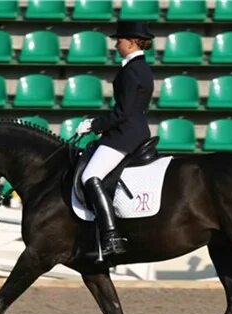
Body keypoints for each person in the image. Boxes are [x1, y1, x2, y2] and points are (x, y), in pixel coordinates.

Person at [76, 20, 155, 258]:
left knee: (90, 175)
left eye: (119, 40)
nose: (116, 44)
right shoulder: (140, 68)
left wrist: (94, 125)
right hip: (131, 130)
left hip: (125, 134)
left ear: (131, 42)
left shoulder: (132, 71)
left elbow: (123, 112)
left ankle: (111, 236)